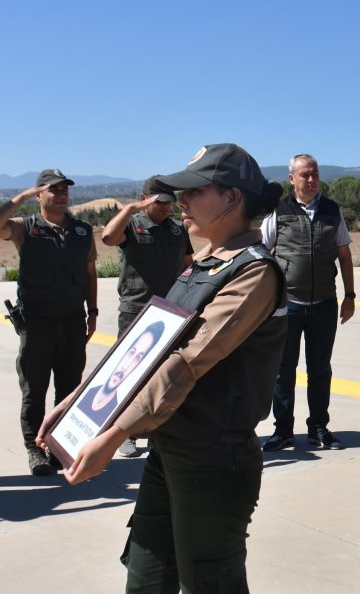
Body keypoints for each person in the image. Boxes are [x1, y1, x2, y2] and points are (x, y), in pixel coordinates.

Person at [37, 142, 287, 593]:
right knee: (146, 577)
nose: (181, 201)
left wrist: (113, 435)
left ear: (232, 198)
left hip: (213, 459)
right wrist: (78, 403)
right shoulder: (203, 266)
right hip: (169, 448)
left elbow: (183, 365)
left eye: (194, 190)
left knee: (209, 582)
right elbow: (142, 348)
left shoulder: (254, 273)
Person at [0, 169, 97, 476]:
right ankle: (35, 448)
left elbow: (90, 274)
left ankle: (60, 446)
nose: (61, 194)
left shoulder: (82, 231)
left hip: (73, 320)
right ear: (39, 195)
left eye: (64, 190)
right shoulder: (26, 227)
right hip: (37, 322)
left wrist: (94, 312)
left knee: (69, 387)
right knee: (34, 389)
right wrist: (19, 198)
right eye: (53, 189)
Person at [262, 153, 356, 451]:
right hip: (287, 304)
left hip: (324, 304)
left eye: (315, 174)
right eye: (305, 175)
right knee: (283, 370)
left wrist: (350, 296)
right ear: (292, 179)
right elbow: (262, 253)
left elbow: (344, 254)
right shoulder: (279, 210)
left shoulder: (332, 210)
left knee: (320, 369)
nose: (312, 179)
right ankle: (283, 430)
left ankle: (318, 428)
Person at [100, 175, 193, 456]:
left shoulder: (178, 230)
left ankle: (155, 431)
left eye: (169, 203)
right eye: (160, 203)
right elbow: (107, 237)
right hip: (136, 309)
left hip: (171, 312)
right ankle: (121, 432)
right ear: (145, 200)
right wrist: (129, 210)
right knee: (127, 374)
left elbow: (189, 265)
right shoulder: (132, 225)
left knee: (162, 377)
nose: (166, 208)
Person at [75, 320, 165, 426]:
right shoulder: (85, 394)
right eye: (131, 353)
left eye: (138, 358)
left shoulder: (117, 415)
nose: (126, 366)